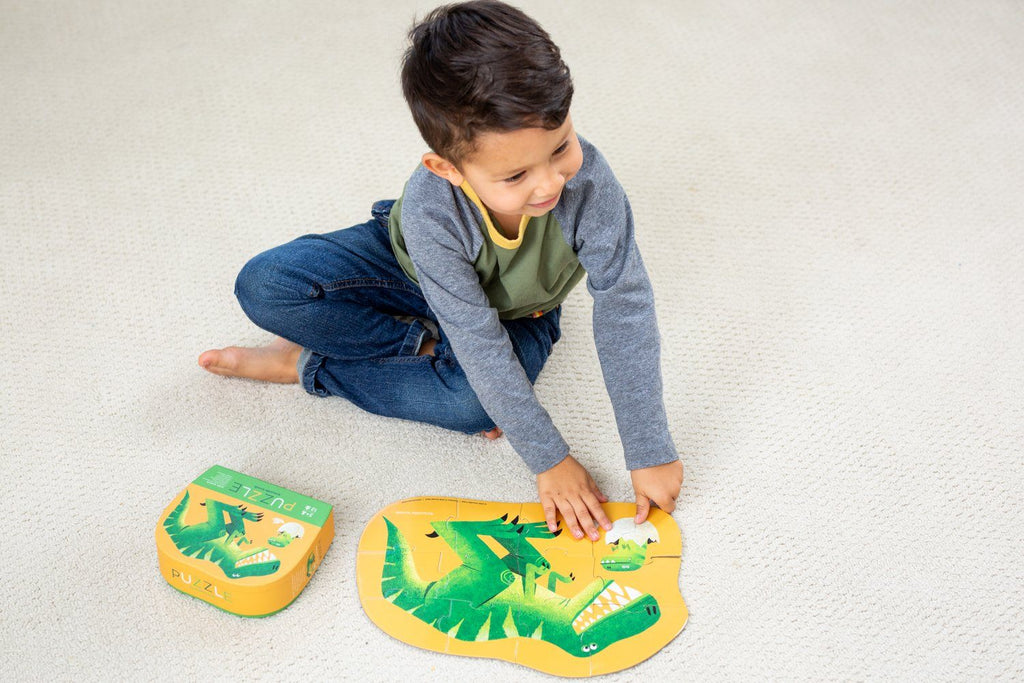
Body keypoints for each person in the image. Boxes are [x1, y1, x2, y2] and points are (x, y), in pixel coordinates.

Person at [198, 0, 683, 541]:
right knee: (265, 286)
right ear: (446, 168)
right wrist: (550, 460)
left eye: (561, 147)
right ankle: (419, 345)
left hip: (519, 312)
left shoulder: (589, 185)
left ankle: (310, 365)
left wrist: (648, 448)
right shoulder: (433, 208)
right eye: (516, 175)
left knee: (472, 402)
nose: (550, 183)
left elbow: (624, 308)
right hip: (405, 267)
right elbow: (475, 340)